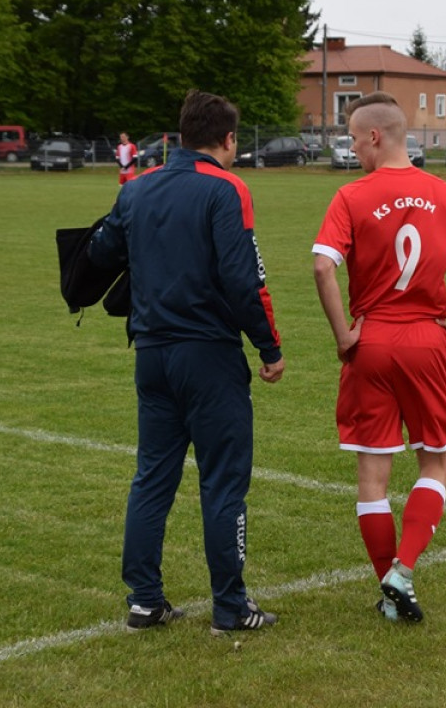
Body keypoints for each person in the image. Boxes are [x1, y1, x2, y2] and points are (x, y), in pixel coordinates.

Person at [89, 89, 285, 635]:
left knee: (152, 477)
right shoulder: (227, 188)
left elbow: (101, 254)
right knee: (223, 483)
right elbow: (243, 278)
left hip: (151, 353)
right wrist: (268, 348)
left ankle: (145, 601)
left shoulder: (138, 188)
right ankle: (230, 607)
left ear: (177, 136)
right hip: (208, 355)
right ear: (228, 140)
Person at [312, 92, 446, 623]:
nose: (352, 149)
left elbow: (322, 267)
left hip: (371, 341)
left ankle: (388, 590)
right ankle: (404, 569)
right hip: (428, 341)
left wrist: (342, 336)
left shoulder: (351, 196)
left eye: (353, 138)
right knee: (436, 461)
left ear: (375, 136)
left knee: (372, 478)